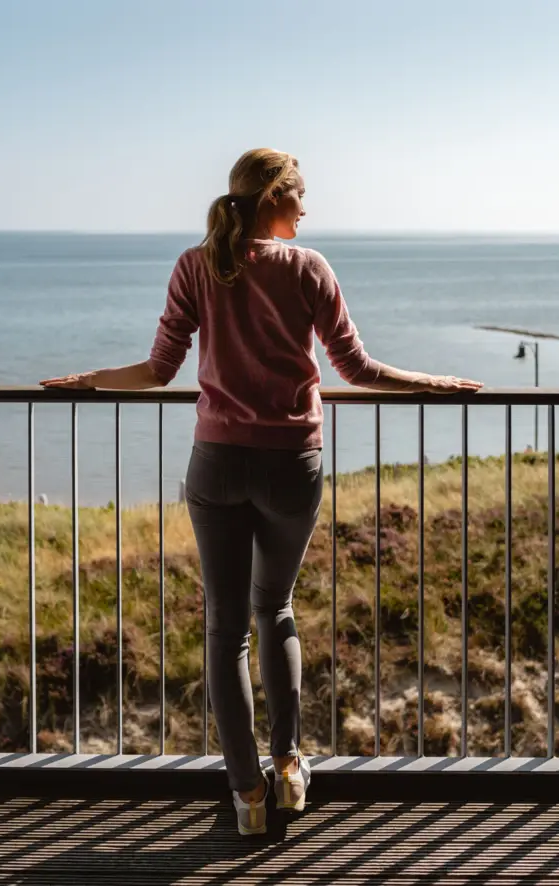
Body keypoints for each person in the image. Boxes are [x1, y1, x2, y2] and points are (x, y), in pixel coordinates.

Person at [40, 148, 483, 836]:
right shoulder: (309, 268)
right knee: (272, 612)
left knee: (224, 630)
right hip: (290, 465)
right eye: (299, 197)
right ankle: (288, 765)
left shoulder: (196, 264)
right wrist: (432, 382)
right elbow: (355, 368)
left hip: (216, 464)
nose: (306, 211)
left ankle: (245, 794)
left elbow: (159, 371)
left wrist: (85, 381)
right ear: (275, 195)